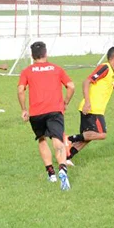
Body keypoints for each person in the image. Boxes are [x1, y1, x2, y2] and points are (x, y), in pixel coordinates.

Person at [17, 41, 75, 191]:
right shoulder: (57, 69)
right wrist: (66, 102)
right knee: (57, 139)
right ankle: (62, 168)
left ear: (32, 56)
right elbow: (71, 86)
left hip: (36, 113)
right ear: (45, 53)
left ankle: (51, 173)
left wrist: (24, 109)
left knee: (42, 139)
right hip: (55, 110)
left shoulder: (27, 71)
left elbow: (20, 90)